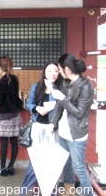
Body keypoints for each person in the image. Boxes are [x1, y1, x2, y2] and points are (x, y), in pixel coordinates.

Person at [47, 54, 94, 196]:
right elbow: (59, 107)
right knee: (66, 164)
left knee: (78, 167)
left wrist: (62, 98)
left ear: (67, 69)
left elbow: (80, 113)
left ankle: (88, 194)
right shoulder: (65, 83)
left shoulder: (86, 87)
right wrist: (52, 123)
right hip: (63, 132)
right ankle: (69, 192)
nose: (58, 72)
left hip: (76, 134)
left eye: (59, 69)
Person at [21, 61, 62, 195]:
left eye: (55, 70)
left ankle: (50, 190)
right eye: (49, 71)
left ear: (59, 72)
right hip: (37, 127)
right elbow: (29, 103)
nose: (52, 73)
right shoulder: (36, 86)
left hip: (53, 129)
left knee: (51, 161)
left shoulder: (61, 88)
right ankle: (32, 189)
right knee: (36, 160)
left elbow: (63, 107)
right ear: (44, 72)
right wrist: (36, 107)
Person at [0, 56, 22, 176]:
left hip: (4, 116)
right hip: (15, 114)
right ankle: (11, 167)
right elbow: (12, 95)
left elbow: (0, 102)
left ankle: (2, 168)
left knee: (3, 143)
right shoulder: (15, 79)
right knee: (14, 141)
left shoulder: (0, 82)